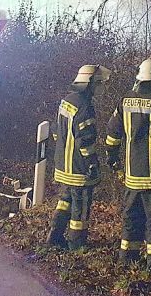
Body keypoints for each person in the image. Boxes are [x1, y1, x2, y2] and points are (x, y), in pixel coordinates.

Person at [104, 57, 151, 272]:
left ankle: (126, 259)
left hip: (133, 176)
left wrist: (112, 157)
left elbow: (113, 134)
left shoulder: (124, 100)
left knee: (132, 218)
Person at [47, 64, 111, 251]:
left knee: (65, 200)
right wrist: (92, 164)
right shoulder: (85, 107)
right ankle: (76, 244)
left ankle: (54, 235)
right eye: (99, 83)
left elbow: (56, 130)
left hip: (63, 166)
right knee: (80, 208)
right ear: (89, 84)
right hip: (79, 169)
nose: (100, 87)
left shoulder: (67, 101)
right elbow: (86, 143)